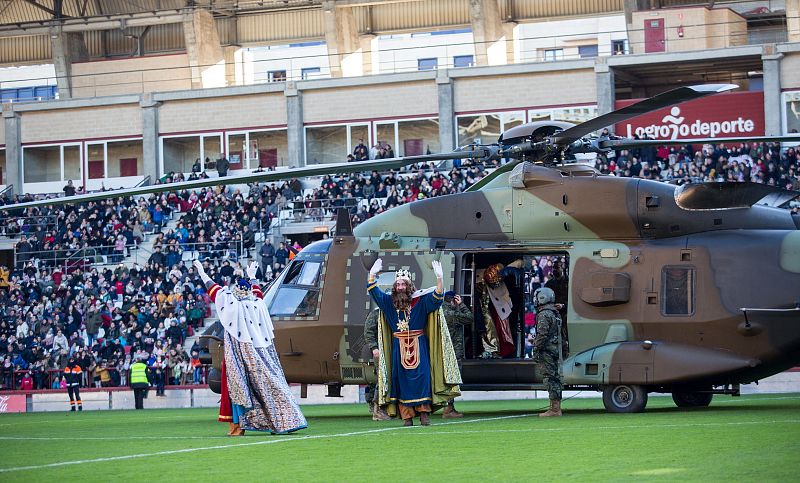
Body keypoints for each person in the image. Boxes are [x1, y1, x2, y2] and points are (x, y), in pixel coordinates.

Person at [193, 259, 307, 435]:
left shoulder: (232, 304)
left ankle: (238, 426)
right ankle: (283, 421)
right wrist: (253, 277)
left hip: (238, 354)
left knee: (237, 386)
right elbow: (258, 293)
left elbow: (214, 289)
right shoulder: (257, 304)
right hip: (262, 351)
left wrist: (202, 272)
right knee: (268, 384)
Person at [367, 258, 461, 426]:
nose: (400, 287)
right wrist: (372, 274)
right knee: (400, 380)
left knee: (423, 377)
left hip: (419, 345)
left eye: (404, 284)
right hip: (398, 347)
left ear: (409, 286)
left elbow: (438, 297)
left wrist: (440, 278)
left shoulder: (421, 301)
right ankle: (407, 417)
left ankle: (424, 414)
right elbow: (374, 291)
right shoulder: (389, 303)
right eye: (398, 285)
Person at [532, 287, 563, 417]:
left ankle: (555, 409)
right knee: (555, 378)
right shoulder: (555, 313)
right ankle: (555, 407)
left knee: (550, 378)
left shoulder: (544, 314)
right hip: (555, 349)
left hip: (547, 351)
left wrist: (536, 348)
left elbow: (542, 335)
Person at [441, 291, 472, 418]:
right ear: (453, 300)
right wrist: (462, 305)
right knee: (452, 380)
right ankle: (449, 408)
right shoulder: (453, 314)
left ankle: (446, 407)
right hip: (453, 352)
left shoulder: (440, 312)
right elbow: (470, 317)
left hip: (442, 351)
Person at [362, 307, 390, 421]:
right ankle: (377, 410)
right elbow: (368, 332)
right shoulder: (376, 313)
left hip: (391, 350)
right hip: (380, 350)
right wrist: (374, 347)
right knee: (382, 379)